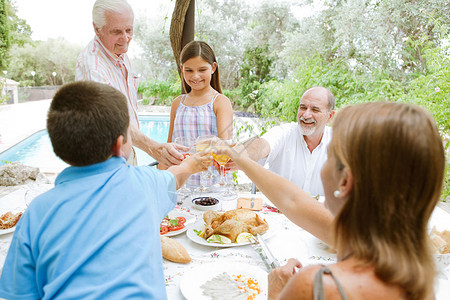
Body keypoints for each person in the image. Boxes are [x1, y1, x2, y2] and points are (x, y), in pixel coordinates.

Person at [0, 81, 211, 299]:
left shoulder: (36, 212)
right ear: (120, 144)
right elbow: (176, 177)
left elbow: (19, 294)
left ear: (57, 147)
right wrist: (190, 165)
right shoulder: (145, 183)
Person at [216, 102, 444, 300]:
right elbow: (293, 200)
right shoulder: (417, 278)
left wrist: (276, 293)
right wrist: (242, 159)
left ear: (345, 182)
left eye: (329, 154)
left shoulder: (315, 285)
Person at [75, 0, 184, 166]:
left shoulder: (119, 51)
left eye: (129, 30)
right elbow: (117, 121)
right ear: (97, 29)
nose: (125, 38)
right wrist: (154, 149)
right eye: (116, 31)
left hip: (124, 150)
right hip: (102, 160)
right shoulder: (93, 66)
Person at [241, 86, 335, 197]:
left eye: (315, 110)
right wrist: (240, 154)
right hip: (277, 213)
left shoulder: (340, 141)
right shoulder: (285, 133)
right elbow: (262, 145)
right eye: (303, 107)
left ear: (329, 116)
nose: (306, 115)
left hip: (322, 213)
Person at [163, 40, 234, 186]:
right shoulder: (177, 103)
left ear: (213, 67)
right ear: (182, 68)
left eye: (202, 70)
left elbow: (224, 147)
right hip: (181, 185)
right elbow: (170, 148)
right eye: (189, 70)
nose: (195, 76)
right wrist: (161, 179)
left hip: (212, 185)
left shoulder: (220, 102)